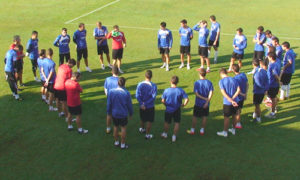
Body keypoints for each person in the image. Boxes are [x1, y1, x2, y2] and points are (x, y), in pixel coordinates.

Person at [107, 77, 133, 149]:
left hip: (114, 113)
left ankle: (116, 142)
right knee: (123, 128)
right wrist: (131, 113)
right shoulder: (126, 93)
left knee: (115, 127)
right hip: (123, 114)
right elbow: (129, 105)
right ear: (124, 84)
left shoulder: (111, 92)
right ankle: (122, 144)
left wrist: (109, 112)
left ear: (117, 83)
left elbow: (109, 103)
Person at [161, 76, 189, 142]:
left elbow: (163, 100)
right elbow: (187, 99)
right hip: (177, 109)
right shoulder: (180, 90)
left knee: (167, 122)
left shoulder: (166, 90)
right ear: (177, 82)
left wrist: (166, 105)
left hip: (168, 109)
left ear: (171, 81)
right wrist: (184, 104)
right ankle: (174, 136)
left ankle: (165, 134)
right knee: (177, 122)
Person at [187, 68, 213, 135]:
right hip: (206, 104)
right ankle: (202, 130)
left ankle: (192, 130)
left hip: (198, 103)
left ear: (199, 74)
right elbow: (211, 93)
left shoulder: (197, 83)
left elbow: (196, 94)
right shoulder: (209, 82)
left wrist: (204, 98)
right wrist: (207, 101)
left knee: (195, 116)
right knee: (204, 116)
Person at [217, 68, 240, 137]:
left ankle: (225, 132)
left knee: (226, 117)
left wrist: (230, 100)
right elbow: (238, 90)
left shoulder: (221, 81)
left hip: (227, 102)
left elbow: (223, 93)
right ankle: (233, 129)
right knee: (234, 115)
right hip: (236, 101)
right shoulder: (234, 79)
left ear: (221, 74)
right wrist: (233, 98)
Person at [136, 70, 157, 139]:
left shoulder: (140, 84)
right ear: (151, 77)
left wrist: (142, 104)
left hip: (142, 106)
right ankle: (147, 135)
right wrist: (146, 103)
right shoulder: (153, 86)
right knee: (149, 120)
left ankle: (142, 129)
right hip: (150, 106)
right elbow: (153, 97)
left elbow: (137, 95)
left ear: (145, 76)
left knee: (142, 118)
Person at [252, 59, 269, 123]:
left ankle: (258, 118)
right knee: (257, 104)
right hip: (262, 91)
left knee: (257, 105)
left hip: (258, 91)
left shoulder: (256, 73)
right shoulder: (264, 71)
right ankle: (255, 114)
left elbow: (258, 83)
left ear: (253, 65)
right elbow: (267, 81)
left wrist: (263, 88)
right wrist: (266, 89)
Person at [232, 64, 248, 129]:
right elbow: (247, 84)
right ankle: (238, 122)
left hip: (238, 97)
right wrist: (245, 93)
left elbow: (237, 90)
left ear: (233, 70)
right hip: (243, 96)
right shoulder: (243, 75)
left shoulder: (235, 79)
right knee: (240, 109)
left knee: (237, 111)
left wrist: (242, 94)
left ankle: (238, 123)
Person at [104, 66, 119, 134]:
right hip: (118, 100)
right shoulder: (120, 80)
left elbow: (105, 89)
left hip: (110, 99)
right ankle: (117, 128)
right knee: (117, 114)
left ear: (111, 72)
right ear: (118, 72)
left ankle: (108, 128)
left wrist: (108, 96)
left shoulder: (107, 79)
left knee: (109, 114)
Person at [265, 52, 281, 118]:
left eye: (268, 57)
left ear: (271, 57)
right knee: (273, 97)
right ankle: (274, 108)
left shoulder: (272, 65)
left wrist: (279, 82)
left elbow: (275, 75)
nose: (267, 58)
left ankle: (273, 113)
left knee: (273, 98)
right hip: (273, 84)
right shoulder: (278, 61)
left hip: (272, 84)